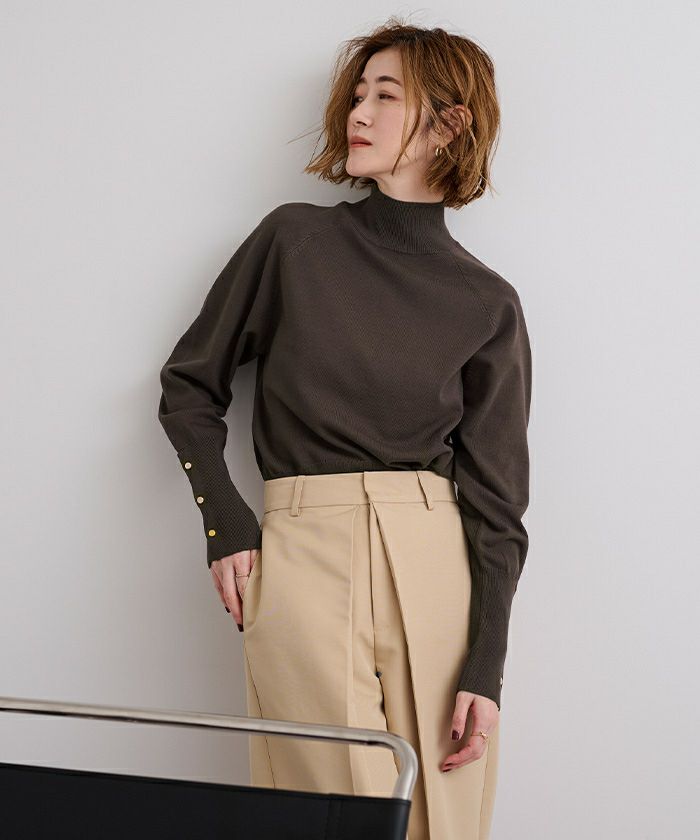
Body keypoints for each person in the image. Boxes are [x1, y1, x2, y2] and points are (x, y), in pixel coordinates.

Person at [157, 18, 531, 840]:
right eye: (358, 94)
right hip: (302, 548)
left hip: (435, 556)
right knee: (332, 811)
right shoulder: (295, 241)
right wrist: (226, 523)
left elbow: (499, 503)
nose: (358, 112)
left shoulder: (487, 302)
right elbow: (189, 387)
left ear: (449, 124)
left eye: (386, 96)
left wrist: (488, 666)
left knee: (443, 816)